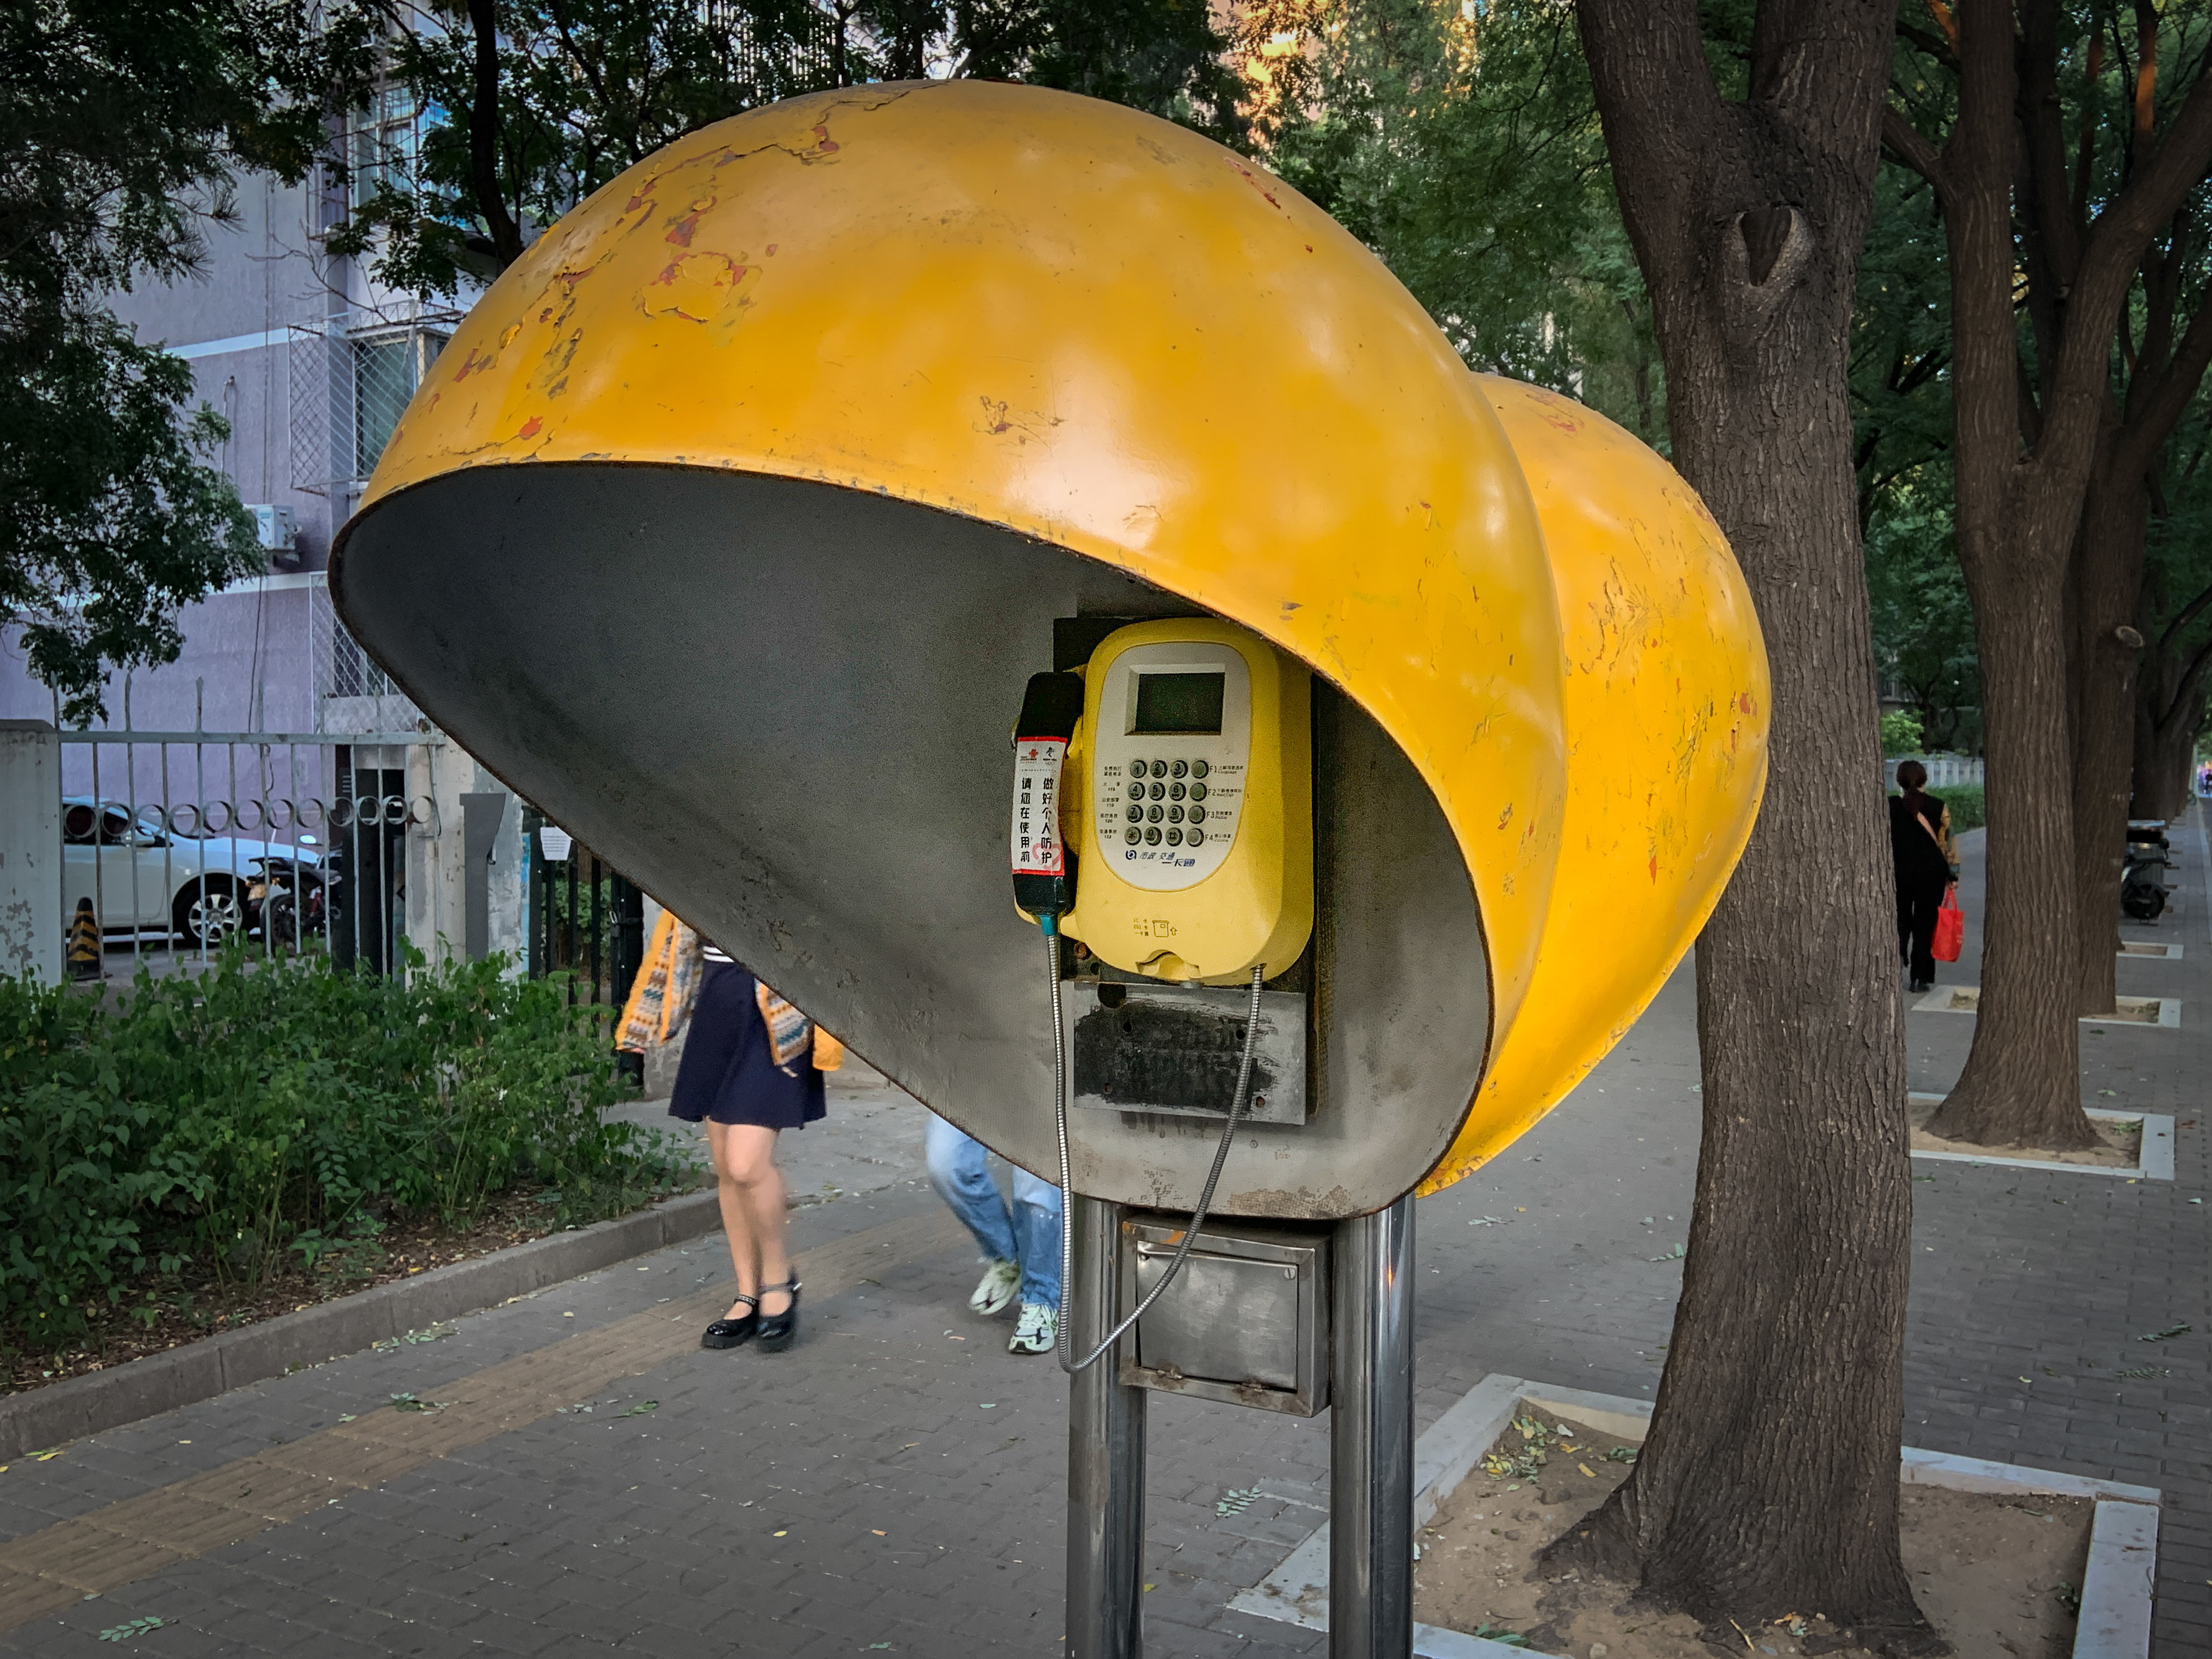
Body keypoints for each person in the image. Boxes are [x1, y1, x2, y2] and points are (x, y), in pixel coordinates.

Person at [619, 910, 841, 1353]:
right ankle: (747, 1293)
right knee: (725, 1166)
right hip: (718, 1005)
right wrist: (643, 1018)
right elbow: (673, 939)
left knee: (746, 1164)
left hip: (777, 1012)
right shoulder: (696, 855)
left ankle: (778, 1279)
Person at [925, 1113, 1062, 1355]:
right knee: (946, 1165)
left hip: (1043, 1081)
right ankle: (1009, 1257)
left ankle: (1042, 1298)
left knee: (1036, 1185)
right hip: (970, 1077)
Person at [1888, 760, 1957, 994]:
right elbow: (1947, 843)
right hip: (1931, 875)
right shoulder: (1939, 807)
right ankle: (1921, 978)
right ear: (1924, 779)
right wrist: (1953, 875)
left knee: (1899, 922)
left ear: (1899, 780)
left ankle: (1893, 967)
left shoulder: (1887, 807)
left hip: (1897, 874)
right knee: (1925, 925)